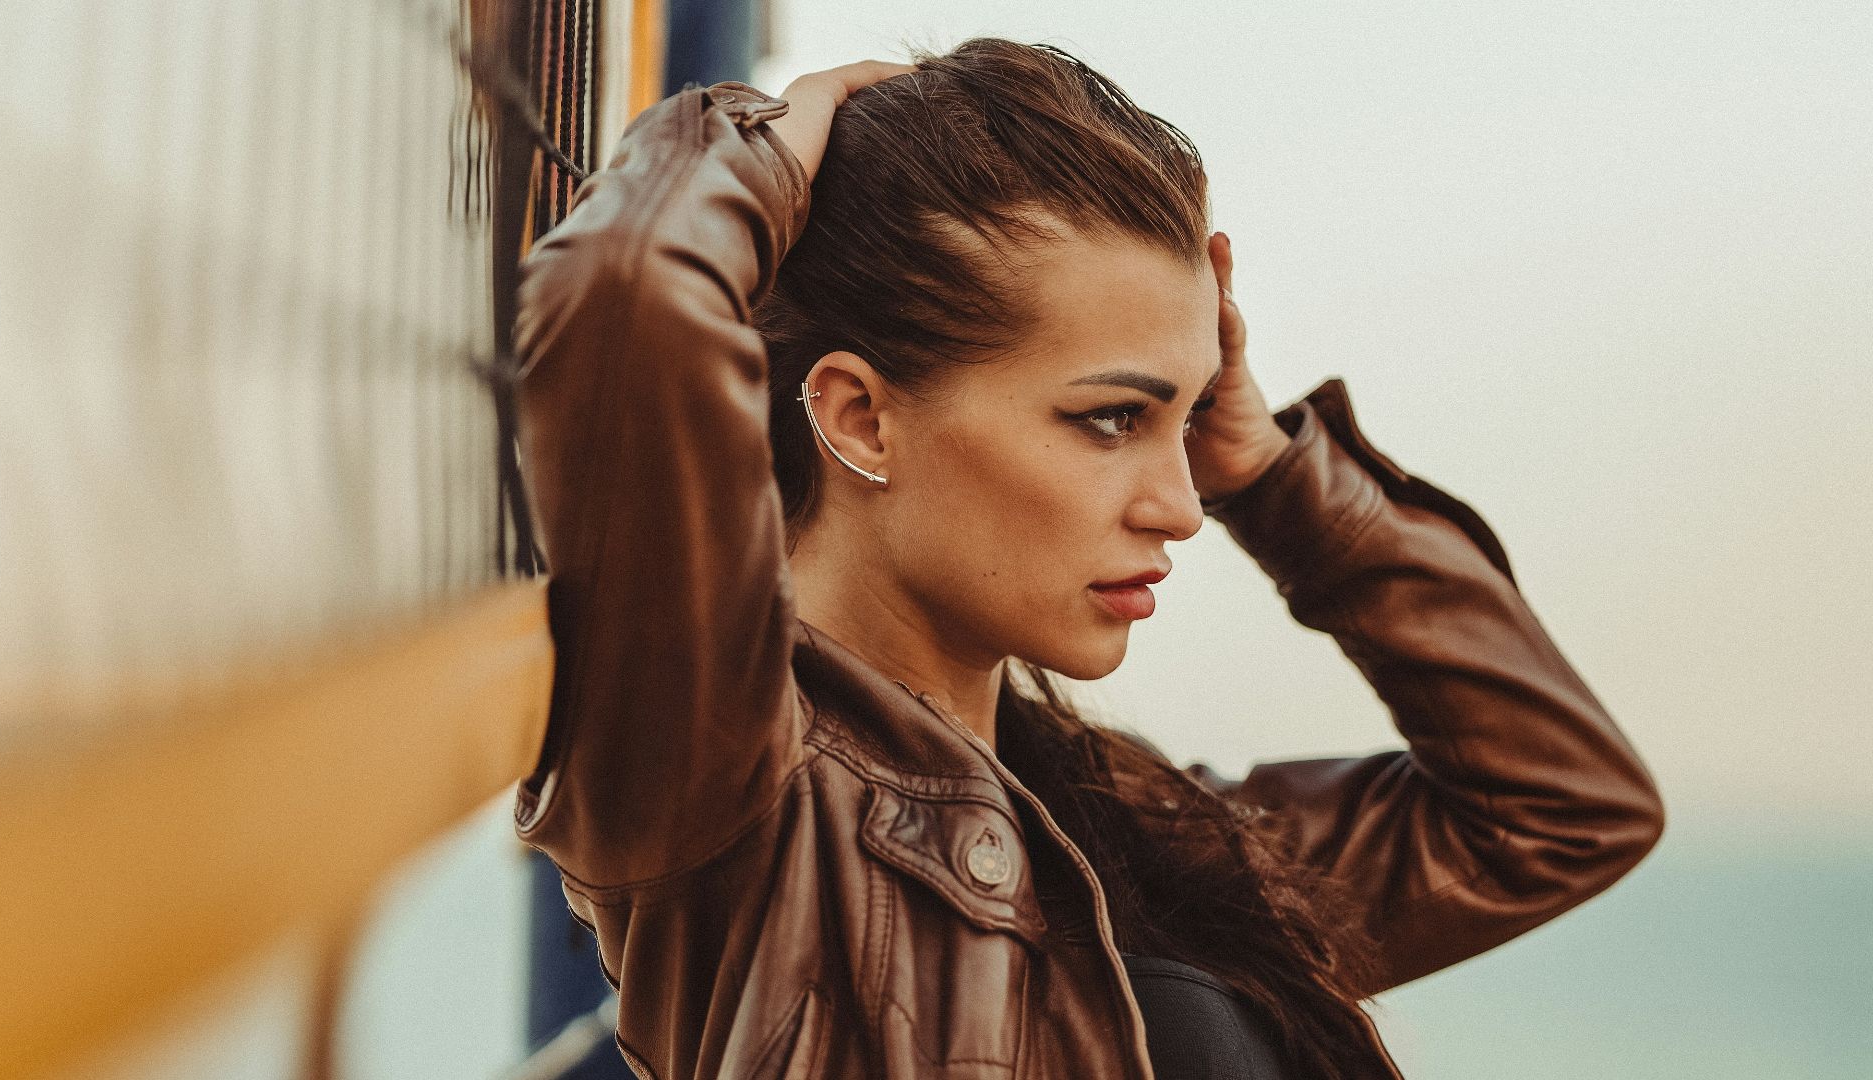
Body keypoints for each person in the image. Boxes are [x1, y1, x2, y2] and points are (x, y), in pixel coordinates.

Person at [509, 38, 1664, 1080]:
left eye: (1191, 423)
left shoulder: (1114, 817)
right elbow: (619, 291)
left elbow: (1560, 812)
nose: (1183, 508)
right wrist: (764, 136)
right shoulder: (729, 788)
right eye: (1111, 419)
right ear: (861, 418)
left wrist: (1267, 466)